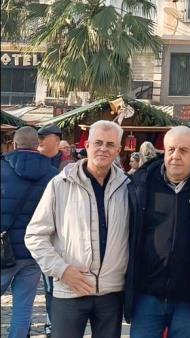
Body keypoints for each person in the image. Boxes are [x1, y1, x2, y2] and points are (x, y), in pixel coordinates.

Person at [25, 120, 130, 338]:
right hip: (70, 289)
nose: (103, 148)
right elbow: (35, 235)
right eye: (98, 142)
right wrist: (61, 270)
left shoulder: (128, 187)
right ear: (87, 145)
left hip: (111, 292)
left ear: (118, 150)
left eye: (110, 144)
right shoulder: (61, 184)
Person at [125, 126, 190, 337]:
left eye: (184, 150)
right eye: (171, 149)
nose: (176, 156)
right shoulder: (143, 182)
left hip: (188, 296)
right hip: (147, 294)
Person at [1, 127, 59, 338]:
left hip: (3, 249)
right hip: (34, 252)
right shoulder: (53, 174)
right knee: (23, 307)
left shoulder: (2, 168)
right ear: (37, 145)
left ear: (14, 145)